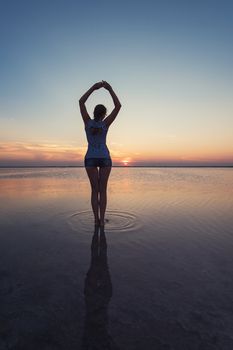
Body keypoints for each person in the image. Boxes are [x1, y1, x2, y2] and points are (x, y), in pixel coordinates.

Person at [79, 81, 121, 227]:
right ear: (104, 114)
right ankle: (102, 221)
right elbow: (118, 106)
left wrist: (93, 88)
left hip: (90, 158)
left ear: (93, 113)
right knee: (102, 190)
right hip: (104, 158)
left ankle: (96, 220)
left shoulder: (87, 122)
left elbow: (81, 102)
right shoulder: (105, 124)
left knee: (94, 190)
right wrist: (110, 89)